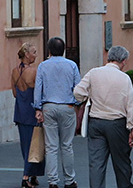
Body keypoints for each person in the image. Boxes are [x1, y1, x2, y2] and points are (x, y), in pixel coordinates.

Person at [74, 45, 133, 188]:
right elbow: (130, 106)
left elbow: (78, 92)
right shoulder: (124, 78)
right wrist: (132, 127)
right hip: (117, 124)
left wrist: (88, 96)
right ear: (124, 61)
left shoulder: (94, 73)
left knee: (96, 163)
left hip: (96, 122)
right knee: (122, 162)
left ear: (108, 58)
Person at [34, 37, 81, 188]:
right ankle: (69, 180)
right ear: (64, 49)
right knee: (67, 145)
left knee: (51, 146)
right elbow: (78, 89)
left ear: (49, 50)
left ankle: (53, 181)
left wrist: (37, 108)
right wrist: (78, 105)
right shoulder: (72, 65)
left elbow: (38, 88)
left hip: (48, 106)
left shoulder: (43, 66)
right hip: (67, 107)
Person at [13, 42, 45, 188]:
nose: (36, 55)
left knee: (25, 145)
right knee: (35, 145)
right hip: (32, 112)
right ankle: (26, 176)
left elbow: (14, 93)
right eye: (34, 52)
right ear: (27, 54)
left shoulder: (14, 71)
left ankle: (32, 175)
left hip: (20, 111)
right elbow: (39, 92)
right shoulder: (34, 71)